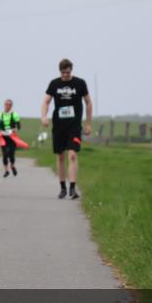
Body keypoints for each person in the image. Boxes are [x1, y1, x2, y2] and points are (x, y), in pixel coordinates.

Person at [41, 58, 92, 199]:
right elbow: (46, 101)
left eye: (67, 73)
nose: (65, 75)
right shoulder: (54, 83)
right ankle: (62, 187)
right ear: (60, 71)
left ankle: (73, 188)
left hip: (74, 126)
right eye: (63, 73)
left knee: (73, 155)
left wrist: (88, 123)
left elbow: (88, 103)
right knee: (60, 157)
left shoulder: (80, 83)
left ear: (71, 71)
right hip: (59, 126)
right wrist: (44, 116)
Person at [0, 99, 21, 177]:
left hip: (12, 137)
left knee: (11, 154)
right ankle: (6, 170)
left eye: (9, 104)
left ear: (11, 106)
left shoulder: (14, 115)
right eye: (6, 104)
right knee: (5, 154)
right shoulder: (0, 115)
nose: (7, 106)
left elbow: (19, 126)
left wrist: (15, 129)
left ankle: (12, 165)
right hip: (3, 136)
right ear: (4, 105)